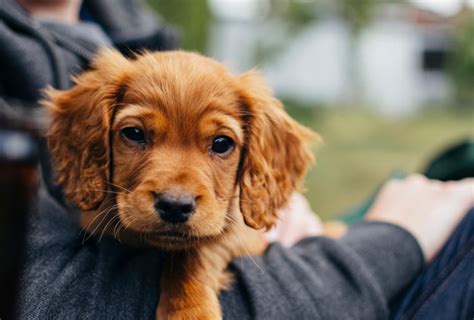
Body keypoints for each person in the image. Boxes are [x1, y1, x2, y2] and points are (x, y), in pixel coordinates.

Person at [1, 0, 473, 319]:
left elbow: (250, 227)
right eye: (136, 134)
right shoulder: (87, 94)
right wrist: (394, 240)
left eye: (220, 143)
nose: (177, 191)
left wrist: (266, 209)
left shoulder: (136, 28)